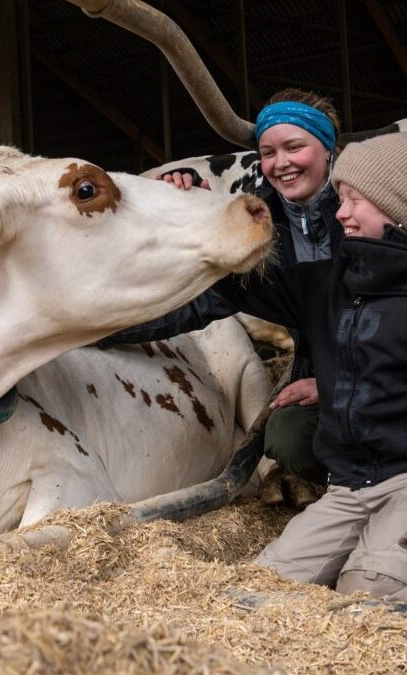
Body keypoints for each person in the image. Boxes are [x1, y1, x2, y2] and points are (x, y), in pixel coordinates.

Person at [213, 132, 407, 613]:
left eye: (355, 200)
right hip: (349, 486)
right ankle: (389, 547)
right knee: (257, 595)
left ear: (401, 209)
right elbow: (225, 288)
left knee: (371, 594)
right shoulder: (330, 284)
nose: (340, 213)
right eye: (342, 199)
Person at [100, 88, 344, 486]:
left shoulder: (364, 213)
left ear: (328, 148)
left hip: (385, 375)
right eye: (268, 153)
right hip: (318, 377)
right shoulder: (262, 230)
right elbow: (195, 303)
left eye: (294, 147)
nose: (281, 164)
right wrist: (98, 331)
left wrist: (334, 383)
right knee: (286, 442)